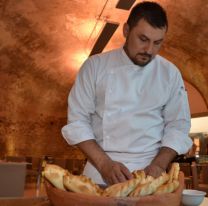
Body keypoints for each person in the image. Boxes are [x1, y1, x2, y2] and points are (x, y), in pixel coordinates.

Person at [62, 1, 193, 185]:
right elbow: (77, 122)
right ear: (126, 31)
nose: (149, 50)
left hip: (150, 174)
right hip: (99, 171)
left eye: (157, 43)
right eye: (143, 39)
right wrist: (105, 164)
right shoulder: (95, 66)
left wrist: (158, 166)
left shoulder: (170, 73)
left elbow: (178, 126)